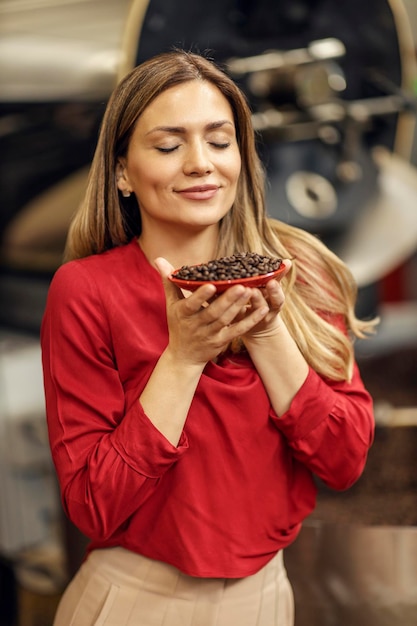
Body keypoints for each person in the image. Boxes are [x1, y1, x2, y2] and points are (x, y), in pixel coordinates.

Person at [41, 48, 377, 626]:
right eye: (170, 146)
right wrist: (183, 358)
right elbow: (94, 506)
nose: (201, 163)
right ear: (122, 170)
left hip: (268, 597)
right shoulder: (86, 291)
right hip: (135, 601)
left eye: (219, 142)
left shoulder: (298, 268)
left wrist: (269, 331)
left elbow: (344, 461)